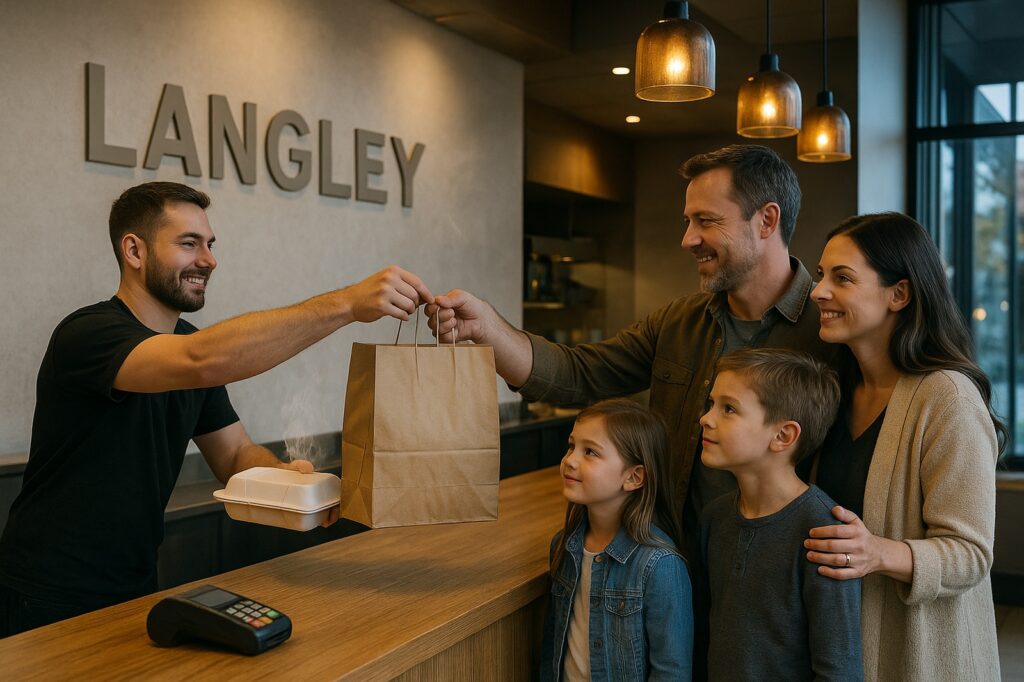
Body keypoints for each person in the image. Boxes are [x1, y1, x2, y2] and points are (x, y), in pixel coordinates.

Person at [0, 182, 433, 637]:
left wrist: (286, 479)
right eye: (189, 244)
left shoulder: (189, 343)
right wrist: (346, 303)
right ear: (134, 250)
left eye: (209, 244)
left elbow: (234, 455)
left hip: (136, 584)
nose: (208, 259)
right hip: (44, 592)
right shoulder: (87, 334)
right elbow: (202, 360)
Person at [428, 144, 842, 562]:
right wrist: (486, 330)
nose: (688, 239)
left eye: (706, 221)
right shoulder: (678, 321)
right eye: (687, 221)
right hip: (673, 566)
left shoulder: (831, 330)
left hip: (778, 576)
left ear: (767, 220)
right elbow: (579, 374)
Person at [804, 212, 1004, 680]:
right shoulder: (832, 390)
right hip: (839, 651)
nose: (817, 291)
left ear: (899, 294)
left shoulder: (947, 397)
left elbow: (971, 553)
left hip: (923, 658)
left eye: (843, 278)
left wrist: (877, 552)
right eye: (820, 275)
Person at [697, 348, 862, 680]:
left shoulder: (824, 533)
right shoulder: (715, 518)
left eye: (728, 408)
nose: (706, 418)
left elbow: (839, 670)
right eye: (710, 404)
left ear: (783, 436)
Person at [540, 399, 692, 681]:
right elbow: (553, 647)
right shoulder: (563, 546)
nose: (570, 460)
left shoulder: (660, 565)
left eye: (590, 452)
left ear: (634, 477)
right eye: (572, 446)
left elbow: (672, 671)